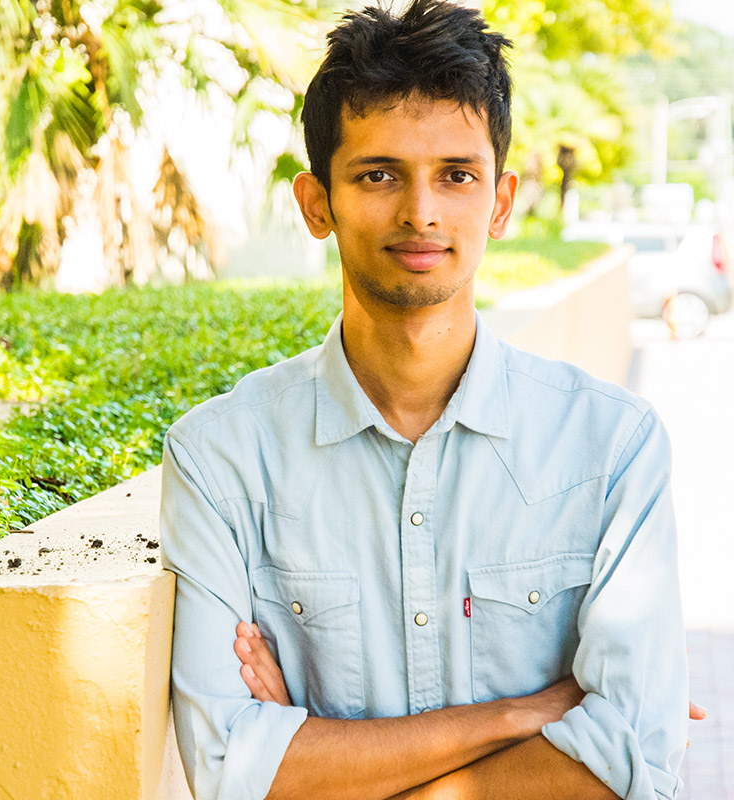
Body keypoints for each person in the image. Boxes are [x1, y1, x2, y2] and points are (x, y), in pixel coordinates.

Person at [158, 1, 692, 798]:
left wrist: (321, 764)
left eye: (457, 174)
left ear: (502, 201)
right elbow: (230, 768)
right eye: (378, 174)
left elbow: (632, 763)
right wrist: (531, 713)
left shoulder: (611, 448)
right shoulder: (221, 459)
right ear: (316, 204)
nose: (422, 212)